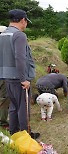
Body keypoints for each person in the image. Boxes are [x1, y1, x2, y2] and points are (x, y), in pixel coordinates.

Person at [0, 9, 40, 138]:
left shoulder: (3, 34)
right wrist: (23, 79)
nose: (26, 24)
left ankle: (14, 132)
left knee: (13, 105)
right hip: (19, 78)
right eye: (26, 21)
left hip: (6, 76)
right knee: (23, 107)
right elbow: (20, 58)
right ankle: (25, 135)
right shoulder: (19, 35)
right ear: (23, 20)